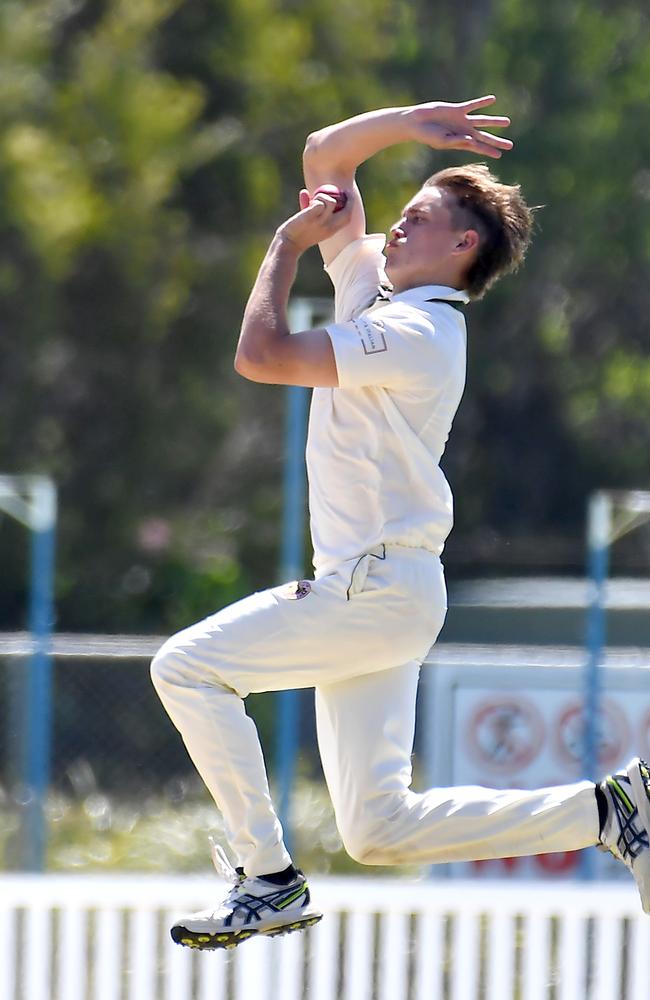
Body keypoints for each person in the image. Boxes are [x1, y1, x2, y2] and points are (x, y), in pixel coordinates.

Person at [151, 96, 650, 950]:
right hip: (389, 588)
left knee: (186, 670)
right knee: (379, 829)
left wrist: (282, 248)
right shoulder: (380, 290)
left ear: (463, 247)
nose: (393, 229)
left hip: (373, 585)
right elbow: (324, 156)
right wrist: (413, 124)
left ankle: (267, 879)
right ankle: (609, 809)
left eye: (416, 219)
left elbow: (261, 357)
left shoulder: (420, 329)